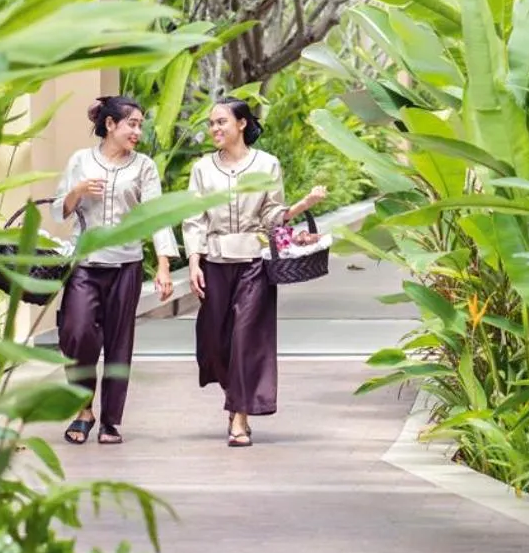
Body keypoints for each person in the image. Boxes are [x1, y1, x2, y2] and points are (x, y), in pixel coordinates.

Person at [184, 97, 327, 447]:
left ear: (242, 124)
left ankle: (239, 418)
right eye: (212, 123)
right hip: (214, 263)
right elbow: (193, 218)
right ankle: (235, 396)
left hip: (253, 264)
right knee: (215, 343)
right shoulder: (202, 168)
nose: (215, 129)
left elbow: (272, 216)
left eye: (221, 122)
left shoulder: (267, 164)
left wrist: (302, 207)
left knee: (247, 340)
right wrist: (192, 262)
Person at [55, 95, 176, 446]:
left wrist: (164, 264)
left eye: (140, 124)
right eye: (132, 124)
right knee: (77, 332)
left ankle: (109, 419)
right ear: (110, 125)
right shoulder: (80, 160)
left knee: (120, 343)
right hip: (85, 264)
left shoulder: (144, 167)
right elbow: (58, 211)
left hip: (126, 264)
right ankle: (83, 407)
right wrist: (77, 190)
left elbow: (156, 215)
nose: (138, 131)